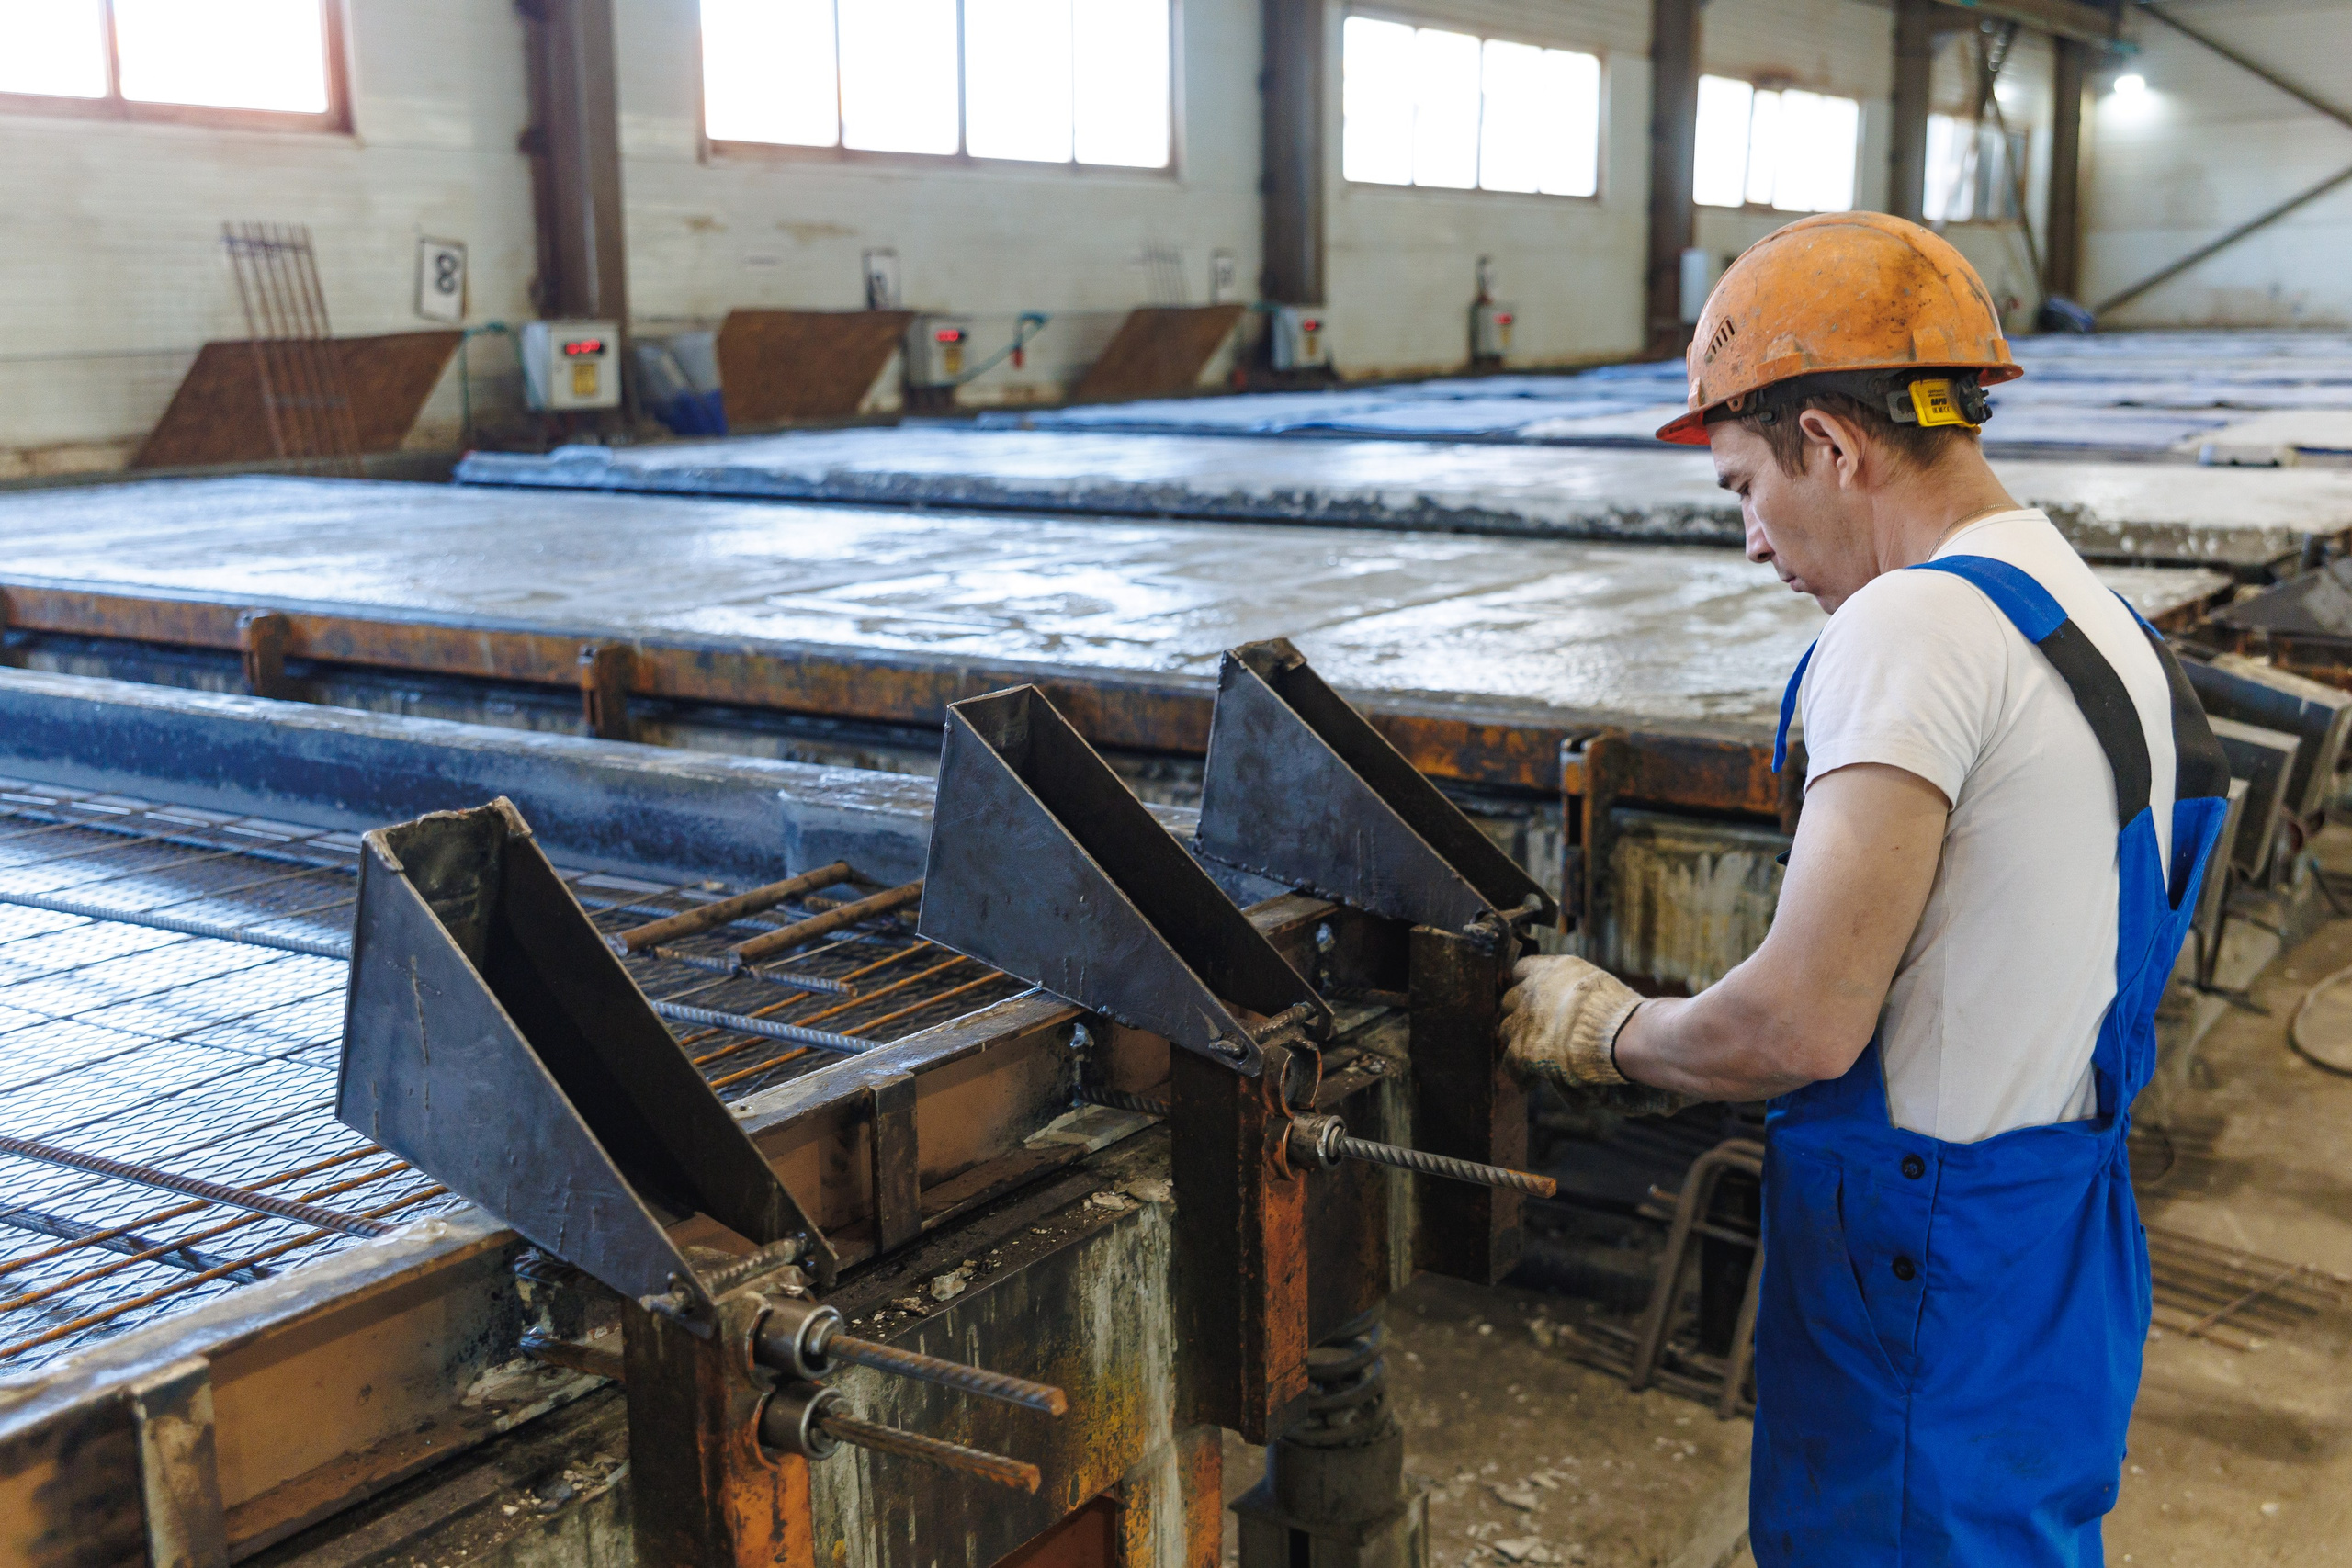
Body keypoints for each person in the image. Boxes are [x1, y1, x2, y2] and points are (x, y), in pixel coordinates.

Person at [1498, 212, 2233, 1566]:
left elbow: (1799, 1026)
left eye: (1740, 491)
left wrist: (1605, 1029)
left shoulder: (1912, 625)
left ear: (1831, 444)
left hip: (1922, 1262)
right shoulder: (2083, 606)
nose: (1753, 543)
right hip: (2052, 1225)